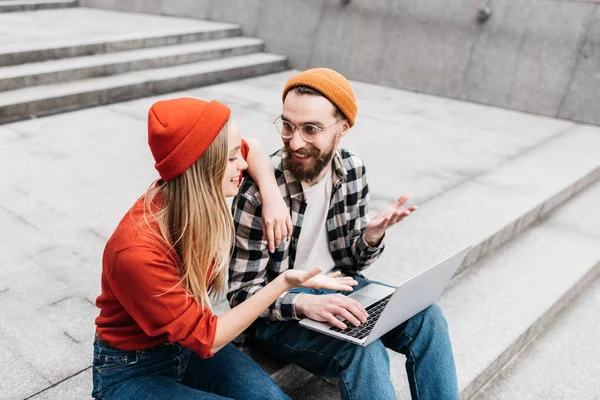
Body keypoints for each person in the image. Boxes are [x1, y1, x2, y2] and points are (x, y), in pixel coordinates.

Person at [92, 97, 357, 400]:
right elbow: (209, 337)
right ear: (202, 166)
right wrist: (283, 282)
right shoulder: (136, 252)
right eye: (232, 157)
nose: (242, 164)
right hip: (132, 368)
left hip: (185, 349)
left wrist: (272, 197)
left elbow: (253, 148)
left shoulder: (190, 193)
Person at [228, 69, 460, 400]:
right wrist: (305, 302)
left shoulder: (352, 170)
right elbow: (241, 294)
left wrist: (370, 238)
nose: (295, 142)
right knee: (363, 350)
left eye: (311, 129)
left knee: (429, 318)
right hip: (279, 314)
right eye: (288, 125)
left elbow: (353, 262)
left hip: (341, 288)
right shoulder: (257, 195)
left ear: (343, 129)